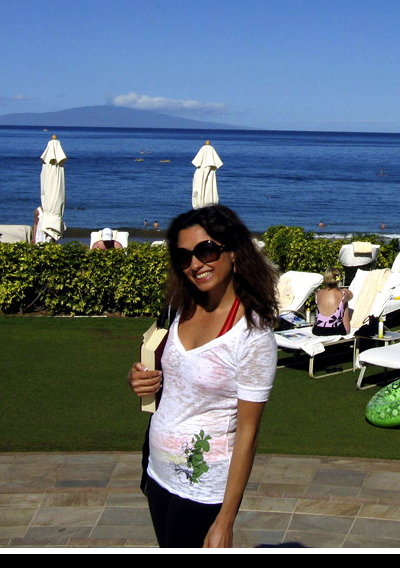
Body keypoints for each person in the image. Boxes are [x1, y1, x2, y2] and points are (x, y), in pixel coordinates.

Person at [126, 204, 279, 548]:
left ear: (235, 253)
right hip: (157, 470)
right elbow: (171, 377)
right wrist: (138, 379)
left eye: (206, 250)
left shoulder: (252, 337)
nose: (196, 264)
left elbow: (249, 434)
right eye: (184, 256)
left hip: (203, 488)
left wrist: (226, 520)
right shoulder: (182, 307)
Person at [312, 267, 353, 336]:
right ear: (337, 278)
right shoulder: (343, 293)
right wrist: (344, 290)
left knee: (343, 301)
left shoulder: (318, 293)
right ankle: (346, 327)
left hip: (317, 330)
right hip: (336, 330)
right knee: (344, 302)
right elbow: (351, 295)